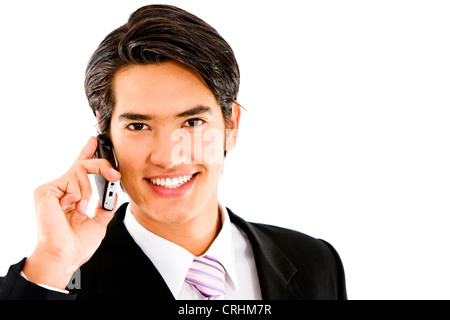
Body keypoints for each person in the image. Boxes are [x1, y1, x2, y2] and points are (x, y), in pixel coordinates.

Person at [0, 4, 346, 300]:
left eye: (193, 122)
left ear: (231, 125)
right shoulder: (60, 281)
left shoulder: (314, 261)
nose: (167, 157)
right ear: (105, 137)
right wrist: (53, 261)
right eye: (138, 126)